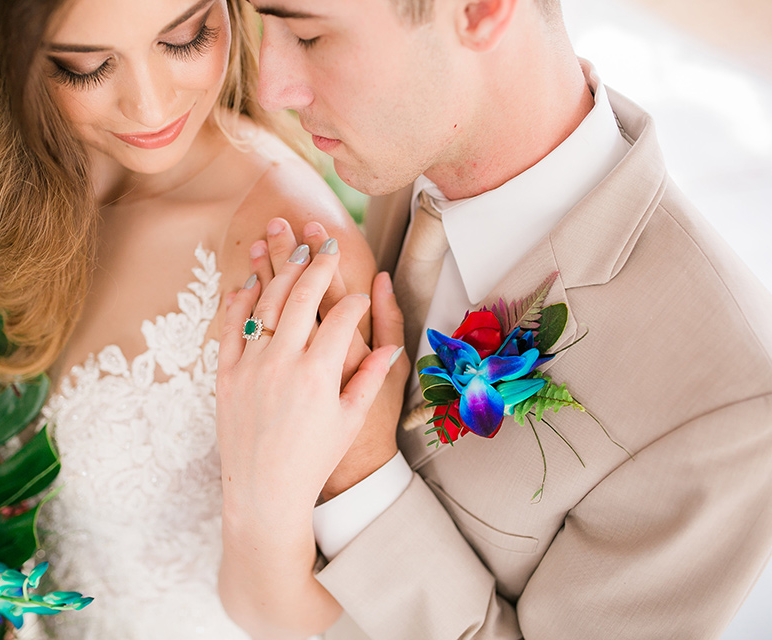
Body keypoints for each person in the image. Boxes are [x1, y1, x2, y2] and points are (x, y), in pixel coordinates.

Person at [215, 0, 772, 638]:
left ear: (480, 10)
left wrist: (359, 471)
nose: (270, 85)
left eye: (311, 36)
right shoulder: (401, 146)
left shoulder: (729, 404)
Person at [0, 0, 382, 637]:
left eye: (186, 36)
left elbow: (358, 613)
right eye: (86, 66)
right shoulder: (7, 178)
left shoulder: (290, 258)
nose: (152, 107)